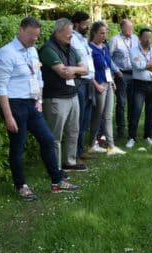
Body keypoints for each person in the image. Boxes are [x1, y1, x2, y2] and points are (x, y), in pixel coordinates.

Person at [0, 17, 79, 200]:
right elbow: (1, 88)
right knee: (18, 147)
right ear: (21, 30)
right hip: (15, 105)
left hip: (32, 104)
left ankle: (57, 180)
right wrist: (8, 116)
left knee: (48, 140)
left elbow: (38, 76)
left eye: (37, 36)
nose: (34, 39)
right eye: (31, 36)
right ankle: (21, 186)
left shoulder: (33, 51)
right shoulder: (6, 53)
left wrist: (39, 100)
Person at [39, 18, 88, 172]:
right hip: (56, 97)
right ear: (57, 32)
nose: (70, 37)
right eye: (68, 34)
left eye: (71, 34)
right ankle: (55, 168)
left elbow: (85, 69)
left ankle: (70, 162)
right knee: (55, 135)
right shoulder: (48, 49)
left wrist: (73, 70)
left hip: (72, 95)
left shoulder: (70, 48)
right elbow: (63, 73)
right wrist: (76, 71)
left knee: (73, 130)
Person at [88, 21, 126, 155]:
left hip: (108, 83)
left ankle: (111, 146)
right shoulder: (89, 49)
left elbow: (108, 65)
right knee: (98, 116)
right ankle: (92, 144)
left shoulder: (105, 47)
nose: (104, 36)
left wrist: (112, 81)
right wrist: (95, 84)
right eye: (101, 33)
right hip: (98, 85)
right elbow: (88, 70)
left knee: (108, 115)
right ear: (94, 33)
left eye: (106, 33)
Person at [128, 28, 152, 148]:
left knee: (150, 111)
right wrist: (150, 64)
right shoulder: (133, 51)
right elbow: (137, 66)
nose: (148, 40)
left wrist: (146, 66)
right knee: (136, 111)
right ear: (140, 38)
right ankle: (132, 137)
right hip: (139, 84)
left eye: (150, 37)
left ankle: (148, 136)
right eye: (146, 37)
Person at [70, 11, 95, 162]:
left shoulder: (83, 40)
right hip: (79, 82)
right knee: (77, 120)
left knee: (85, 120)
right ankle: (74, 154)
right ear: (77, 24)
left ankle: (80, 151)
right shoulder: (72, 39)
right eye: (86, 24)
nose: (88, 27)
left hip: (88, 82)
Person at [109, 19, 139, 139]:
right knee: (121, 102)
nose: (130, 30)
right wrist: (116, 70)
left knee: (133, 102)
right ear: (121, 28)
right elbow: (108, 57)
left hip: (135, 74)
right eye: (128, 28)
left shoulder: (136, 39)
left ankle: (132, 128)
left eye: (131, 28)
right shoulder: (115, 40)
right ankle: (120, 129)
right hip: (121, 74)